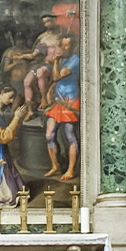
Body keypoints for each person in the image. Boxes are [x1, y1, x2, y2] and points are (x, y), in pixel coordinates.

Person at [45, 35, 81, 181]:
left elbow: (57, 76)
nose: (64, 48)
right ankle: (55, 166)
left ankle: (71, 169)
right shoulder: (64, 60)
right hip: (59, 101)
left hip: (70, 101)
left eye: (67, 45)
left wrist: (55, 61)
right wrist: (50, 90)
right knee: (49, 134)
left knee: (70, 135)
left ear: (73, 46)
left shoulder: (75, 60)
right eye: (63, 44)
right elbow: (55, 81)